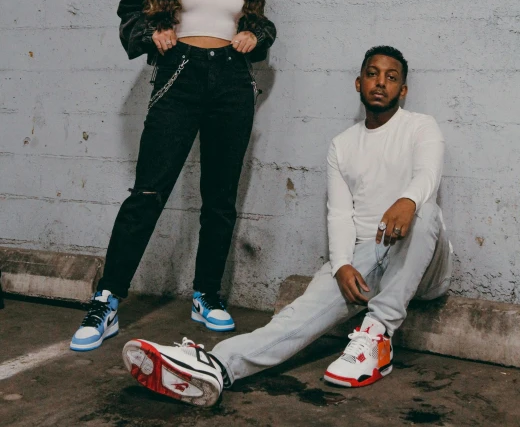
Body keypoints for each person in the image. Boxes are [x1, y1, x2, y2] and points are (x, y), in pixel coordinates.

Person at [120, 46, 453, 406]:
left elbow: (427, 175)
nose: (381, 83)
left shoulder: (422, 127)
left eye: (392, 78)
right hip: (364, 263)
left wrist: (407, 201)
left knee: (425, 212)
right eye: (373, 74)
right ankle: (217, 366)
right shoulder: (342, 145)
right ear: (359, 82)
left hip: (423, 268)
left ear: (403, 90)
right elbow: (339, 214)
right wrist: (341, 264)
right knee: (295, 317)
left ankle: (378, 333)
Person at [70, 0, 276, 352]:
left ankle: (206, 294)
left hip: (230, 82)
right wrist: (153, 32)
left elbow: (262, 23)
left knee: (220, 197)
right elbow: (129, 12)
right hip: (180, 75)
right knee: (147, 193)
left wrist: (252, 35)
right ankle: (107, 301)